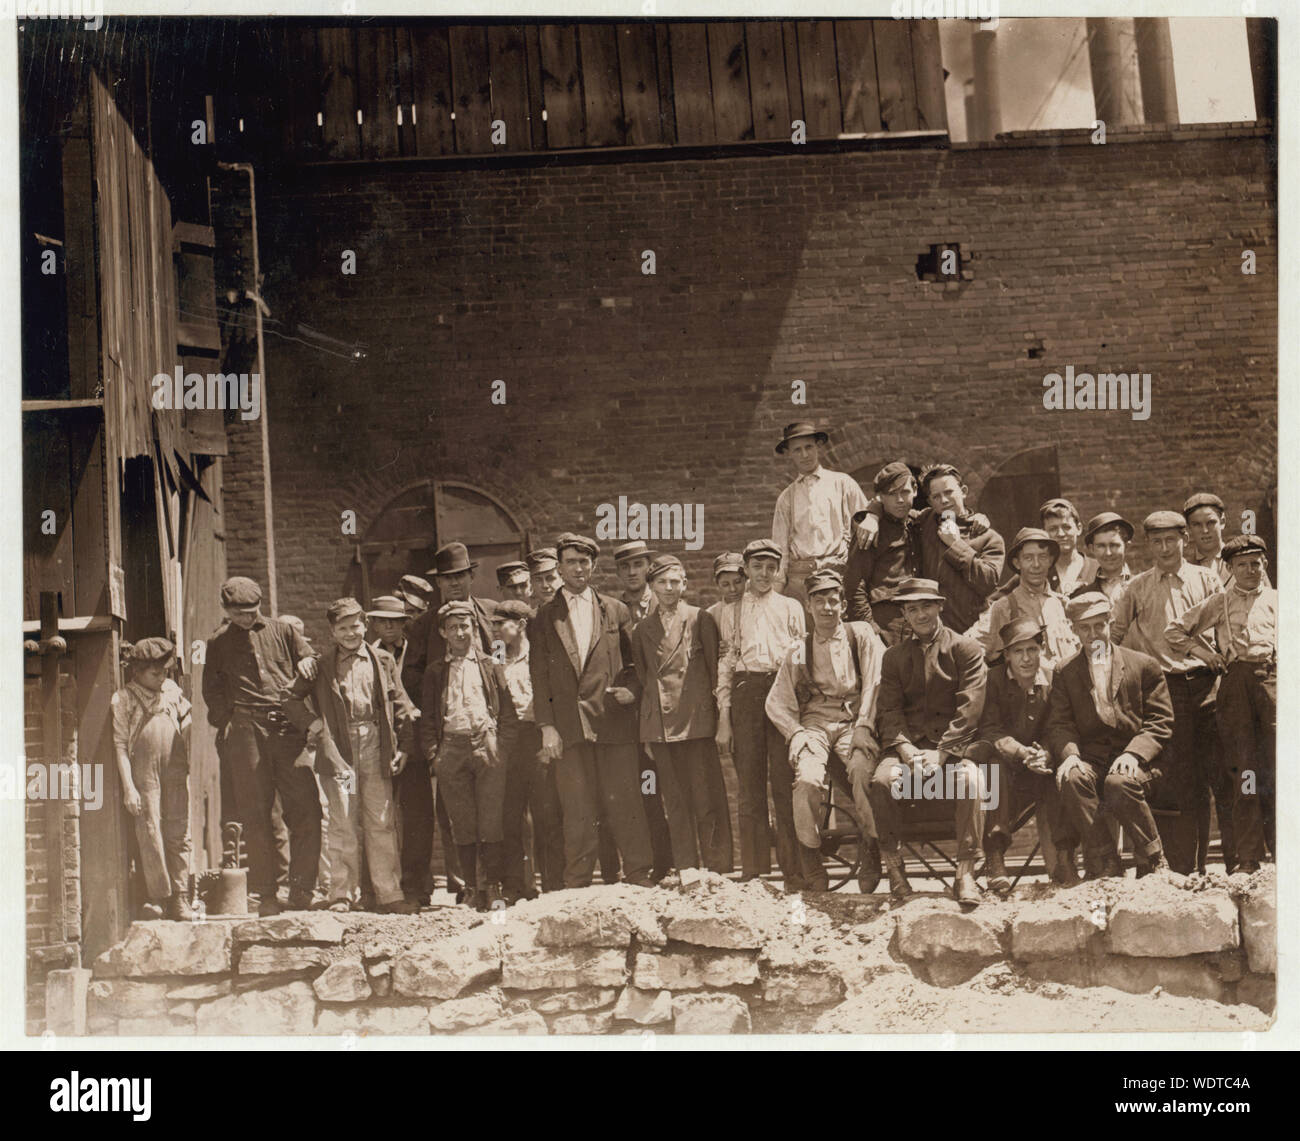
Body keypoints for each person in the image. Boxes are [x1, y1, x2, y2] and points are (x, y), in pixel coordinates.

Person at [530, 533, 655, 887]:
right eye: (571, 561)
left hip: (613, 720)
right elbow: (539, 677)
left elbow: (634, 665)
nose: (579, 568)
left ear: (593, 566)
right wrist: (547, 727)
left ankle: (638, 874)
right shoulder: (543, 617)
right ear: (560, 567)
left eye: (585, 562)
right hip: (569, 727)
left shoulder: (614, 609)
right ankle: (578, 882)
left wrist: (631, 691)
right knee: (578, 808)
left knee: (626, 801)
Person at [1110, 511, 1233, 874]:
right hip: (1165, 690)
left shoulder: (1207, 579)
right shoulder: (1137, 588)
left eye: (1172, 540)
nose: (1165, 548)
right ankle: (1184, 869)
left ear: (1185, 540)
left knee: (1219, 776)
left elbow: (1225, 628)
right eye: (1157, 541)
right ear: (1149, 545)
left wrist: (1219, 658)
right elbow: (1113, 636)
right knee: (1180, 780)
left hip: (1207, 686)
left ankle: (1232, 865)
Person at [284, 598, 419, 914]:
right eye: (342, 628)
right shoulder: (320, 664)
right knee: (342, 821)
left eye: (355, 626)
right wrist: (314, 724)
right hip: (338, 748)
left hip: (375, 743)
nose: (350, 633)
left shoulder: (381, 660)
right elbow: (289, 699)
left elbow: (400, 703)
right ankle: (342, 894)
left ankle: (389, 894)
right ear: (332, 631)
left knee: (381, 820)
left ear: (365, 626)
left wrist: (404, 747)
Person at [201, 576, 321, 916]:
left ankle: (301, 889)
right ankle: (266, 893)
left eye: (253, 612)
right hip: (246, 729)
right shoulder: (218, 643)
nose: (247, 619)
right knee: (256, 813)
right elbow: (211, 689)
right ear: (226, 611)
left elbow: (309, 659)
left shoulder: (283, 631)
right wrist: (227, 722)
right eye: (239, 614)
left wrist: (307, 660)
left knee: (306, 807)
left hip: (286, 727)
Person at [869, 578, 988, 908]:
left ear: (940, 606)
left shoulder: (965, 650)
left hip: (948, 752)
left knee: (972, 780)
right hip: (908, 752)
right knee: (881, 781)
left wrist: (942, 753)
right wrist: (905, 750)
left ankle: (965, 873)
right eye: (911, 609)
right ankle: (895, 872)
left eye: (926, 606)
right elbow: (889, 710)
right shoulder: (893, 657)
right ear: (904, 615)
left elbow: (970, 707)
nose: (920, 615)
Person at [765, 569, 885, 893]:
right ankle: (810, 856)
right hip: (814, 722)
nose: (827, 608)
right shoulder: (800, 648)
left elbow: (876, 682)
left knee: (863, 772)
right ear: (809, 606)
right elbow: (776, 701)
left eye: (834, 601)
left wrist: (864, 725)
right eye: (820, 601)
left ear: (843, 605)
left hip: (853, 721)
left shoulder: (859, 635)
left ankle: (871, 849)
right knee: (806, 779)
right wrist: (795, 733)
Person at [1045, 592, 1176, 879]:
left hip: (1139, 762)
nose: (1093, 635)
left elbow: (1160, 720)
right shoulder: (1065, 671)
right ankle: (1106, 862)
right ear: (1074, 630)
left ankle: (1155, 859)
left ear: (1110, 623)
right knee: (1073, 777)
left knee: (1118, 783)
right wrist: (1070, 756)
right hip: (1092, 759)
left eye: (1099, 626)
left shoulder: (1143, 665)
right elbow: (1059, 723)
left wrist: (1133, 754)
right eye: (1085, 628)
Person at [1166, 534, 1276, 873]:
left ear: (1265, 565)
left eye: (1255, 563)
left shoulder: (1279, 599)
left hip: (1274, 685)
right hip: (1235, 688)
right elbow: (1174, 632)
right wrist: (1208, 655)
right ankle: (1248, 858)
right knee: (1244, 771)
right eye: (1241, 565)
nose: (1249, 570)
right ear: (1228, 568)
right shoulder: (1219, 602)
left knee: (1279, 766)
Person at [402, 542, 495, 902]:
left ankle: (492, 883)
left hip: (485, 729)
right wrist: (429, 707)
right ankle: (462, 884)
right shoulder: (425, 625)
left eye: (460, 576)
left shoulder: (488, 614)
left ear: (471, 576)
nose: (455, 584)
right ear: (438, 583)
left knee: (491, 810)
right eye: (447, 578)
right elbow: (410, 674)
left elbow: (501, 663)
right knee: (455, 813)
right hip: (448, 731)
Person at [714, 538, 806, 887]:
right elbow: (726, 663)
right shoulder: (732, 610)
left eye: (771, 567)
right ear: (747, 570)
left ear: (778, 569)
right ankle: (754, 871)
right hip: (746, 693)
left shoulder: (791, 607)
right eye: (757, 567)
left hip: (782, 693)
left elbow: (801, 659)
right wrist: (724, 718)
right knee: (749, 786)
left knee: (784, 783)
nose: (764, 574)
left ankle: (792, 871)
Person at [631, 555, 729, 874]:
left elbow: (716, 673)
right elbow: (647, 680)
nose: (669, 588)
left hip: (697, 723)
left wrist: (720, 723)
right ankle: (687, 869)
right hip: (661, 727)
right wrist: (648, 731)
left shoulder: (700, 619)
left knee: (706, 799)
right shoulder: (642, 629)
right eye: (662, 582)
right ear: (652, 587)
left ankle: (715, 871)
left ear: (685, 584)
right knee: (674, 802)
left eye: (675, 581)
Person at [422, 600, 518, 909]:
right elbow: (426, 719)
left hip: (486, 745)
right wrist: (434, 754)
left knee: (491, 819)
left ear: (475, 629)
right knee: (461, 821)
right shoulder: (436, 671)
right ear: (443, 633)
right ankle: (472, 889)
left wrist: (500, 747)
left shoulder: (492, 665)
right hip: (451, 746)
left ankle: (493, 886)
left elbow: (509, 711)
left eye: (465, 626)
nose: (460, 633)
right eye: (453, 628)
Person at [970, 618, 1069, 892]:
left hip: (1040, 765)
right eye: (1018, 651)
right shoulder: (992, 681)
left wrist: (1046, 754)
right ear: (1006, 656)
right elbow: (989, 729)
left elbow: (1058, 725)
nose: (1026, 659)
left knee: (1056, 777)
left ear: (1041, 650)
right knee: (993, 771)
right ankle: (995, 858)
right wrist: (1021, 752)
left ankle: (1063, 861)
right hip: (1007, 764)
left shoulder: (1053, 679)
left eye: (1032, 650)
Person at [112, 638, 193, 920]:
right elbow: (121, 745)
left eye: (164, 672)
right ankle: (158, 897)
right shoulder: (124, 698)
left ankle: (181, 898)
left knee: (179, 830)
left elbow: (187, 720)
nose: (161, 679)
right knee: (150, 832)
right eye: (154, 674)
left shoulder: (171, 691)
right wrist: (128, 788)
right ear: (137, 672)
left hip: (174, 767)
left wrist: (187, 753)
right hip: (143, 772)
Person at [493, 599, 565, 901]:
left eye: (502, 623)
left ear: (521, 625)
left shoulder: (540, 653)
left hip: (539, 736)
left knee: (546, 813)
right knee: (510, 816)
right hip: (509, 740)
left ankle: (553, 886)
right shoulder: (496, 655)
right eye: (494, 624)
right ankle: (516, 887)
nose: (495, 629)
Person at [364, 594, 431, 906]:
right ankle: (379, 888)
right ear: (373, 624)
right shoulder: (365, 655)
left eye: (394, 621)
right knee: (378, 816)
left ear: (405, 623)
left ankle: (418, 885)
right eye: (381, 621)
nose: (388, 627)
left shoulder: (420, 652)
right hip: (378, 748)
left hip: (415, 746)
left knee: (417, 816)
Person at [613, 538, 673, 879]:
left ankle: (681, 862)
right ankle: (657, 863)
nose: (632, 572)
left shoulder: (663, 603)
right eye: (625, 566)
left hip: (667, 715)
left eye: (638, 564)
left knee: (673, 790)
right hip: (633, 721)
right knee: (646, 789)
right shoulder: (616, 611)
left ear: (648, 567)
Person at [770, 422, 868, 603]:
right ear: (789, 454)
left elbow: (866, 523)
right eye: (797, 450)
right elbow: (780, 549)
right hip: (799, 579)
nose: (805, 454)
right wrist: (777, 592)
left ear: (818, 447)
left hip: (837, 573)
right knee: (802, 630)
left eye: (809, 447)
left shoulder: (842, 483)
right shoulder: (786, 498)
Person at [965, 527, 1079, 669]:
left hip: (1065, 689)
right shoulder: (1004, 607)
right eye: (1028, 558)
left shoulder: (1062, 605)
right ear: (1017, 563)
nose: (1036, 564)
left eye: (1042, 557)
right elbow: (968, 648)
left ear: (1050, 561)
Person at [913, 464, 1005, 634]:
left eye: (948, 492)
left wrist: (955, 545)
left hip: (974, 631)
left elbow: (988, 583)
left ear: (963, 491)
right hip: (934, 632)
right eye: (936, 496)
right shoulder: (925, 523)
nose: (944, 500)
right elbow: (893, 511)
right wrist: (872, 515)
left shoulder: (988, 537)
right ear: (930, 502)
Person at [843, 461, 920, 646]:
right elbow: (854, 584)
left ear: (915, 489)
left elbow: (947, 514)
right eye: (892, 494)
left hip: (919, 617)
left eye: (905, 492)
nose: (900, 500)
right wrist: (870, 628)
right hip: (886, 622)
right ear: (881, 497)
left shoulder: (919, 522)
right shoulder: (870, 531)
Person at [1039, 498, 1098, 596]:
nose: (1061, 534)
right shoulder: (1038, 570)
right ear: (1044, 533)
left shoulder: (1098, 568)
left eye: (1066, 527)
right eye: (1053, 529)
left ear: (1079, 528)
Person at [1072, 512, 1134, 602]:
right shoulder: (1082, 594)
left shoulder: (1143, 586)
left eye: (1114, 545)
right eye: (1101, 546)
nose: (1108, 553)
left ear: (1127, 546)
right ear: (1091, 549)